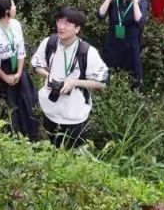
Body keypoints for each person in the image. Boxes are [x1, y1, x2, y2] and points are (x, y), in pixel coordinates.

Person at [31, 8, 109, 148]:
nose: (61, 26)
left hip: (75, 114)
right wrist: (47, 75)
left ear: (77, 28)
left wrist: (74, 82)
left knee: (74, 154)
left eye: (67, 24)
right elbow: (37, 65)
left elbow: (102, 82)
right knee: (53, 149)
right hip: (50, 110)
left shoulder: (87, 52)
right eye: (59, 21)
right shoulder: (50, 43)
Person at [0, 0, 39, 138]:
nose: (15, 8)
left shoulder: (16, 24)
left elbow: (21, 50)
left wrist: (19, 72)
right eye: (13, 6)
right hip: (2, 70)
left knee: (25, 101)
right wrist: (5, 76)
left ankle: (28, 134)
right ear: (7, 11)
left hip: (18, 68)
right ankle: (9, 136)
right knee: (7, 104)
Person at [98, 0, 148, 89]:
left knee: (133, 81)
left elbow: (140, 21)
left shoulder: (141, 2)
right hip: (112, 44)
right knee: (106, 77)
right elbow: (100, 15)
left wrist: (134, 0)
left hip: (130, 47)